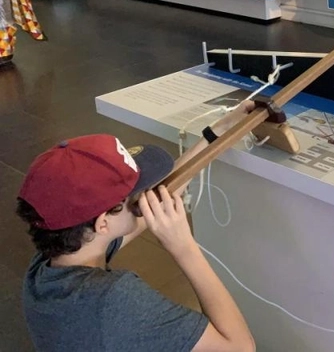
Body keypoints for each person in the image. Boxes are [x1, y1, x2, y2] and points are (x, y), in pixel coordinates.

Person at [16, 101, 258, 352]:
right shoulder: (112, 298)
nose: (143, 196)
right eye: (132, 195)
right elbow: (240, 348)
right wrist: (185, 248)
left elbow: (160, 196)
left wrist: (215, 134)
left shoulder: (48, 266)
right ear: (103, 224)